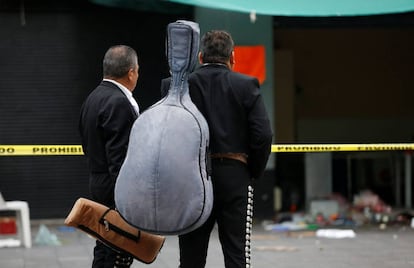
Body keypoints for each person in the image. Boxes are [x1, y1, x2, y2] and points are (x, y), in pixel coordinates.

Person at [161, 30, 272, 268]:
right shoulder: (246, 85)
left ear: (200, 57)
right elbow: (263, 135)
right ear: (233, 57)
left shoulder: (175, 87)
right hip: (234, 176)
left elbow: (166, 134)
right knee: (236, 255)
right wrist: (251, 170)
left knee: (191, 257)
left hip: (192, 179)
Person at [79, 45, 139, 268]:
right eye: (138, 71)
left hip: (98, 181)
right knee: (118, 251)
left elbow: (86, 144)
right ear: (131, 72)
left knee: (104, 246)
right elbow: (120, 156)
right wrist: (126, 198)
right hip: (116, 187)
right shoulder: (119, 102)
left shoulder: (93, 98)